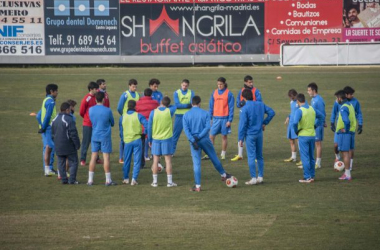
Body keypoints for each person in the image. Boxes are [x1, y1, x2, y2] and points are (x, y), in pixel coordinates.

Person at [183, 96, 232, 192]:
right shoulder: (205, 113)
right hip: (204, 139)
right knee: (213, 157)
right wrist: (200, 136)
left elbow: (186, 130)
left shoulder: (186, 115)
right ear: (199, 103)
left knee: (196, 163)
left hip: (194, 142)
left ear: (191, 103)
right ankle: (223, 175)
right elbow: (207, 127)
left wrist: (193, 140)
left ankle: (197, 186)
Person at [238, 89, 275, 185]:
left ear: (244, 97)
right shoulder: (260, 104)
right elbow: (272, 112)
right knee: (259, 156)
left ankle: (253, 178)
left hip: (250, 135)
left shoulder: (244, 108)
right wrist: (264, 123)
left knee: (251, 156)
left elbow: (242, 125)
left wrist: (240, 139)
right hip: (259, 134)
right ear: (252, 96)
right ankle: (260, 177)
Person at [293, 93, 325, 183]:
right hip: (312, 135)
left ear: (298, 101)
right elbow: (322, 116)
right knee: (311, 157)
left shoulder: (299, 111)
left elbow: (295, 123)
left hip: (303, 136)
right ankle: (312, 176)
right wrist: (315, 125)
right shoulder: (312, 108)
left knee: (305, 157)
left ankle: (307, 177)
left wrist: (296, 131)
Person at [232, 75, 263, 162]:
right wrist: (241, 103)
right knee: (241, 132)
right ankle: (240, 154)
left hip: (254, 116)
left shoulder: (256, 91)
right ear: (245, 82)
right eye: (249, 82)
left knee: (253, 135)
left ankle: (256, 156)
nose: (251, 84)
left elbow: (260, 102)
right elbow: (238, 104)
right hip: (244, 115)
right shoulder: (241, 91)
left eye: (252, 82)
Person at [148, 96, 177, 187]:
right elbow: (175, 106)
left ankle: (155, 182)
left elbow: (149, 127)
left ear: (160, 102)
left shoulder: (153, 112)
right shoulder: (169, 111)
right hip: (167, 138)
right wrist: (167, 105)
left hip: (156, 139)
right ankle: (169, 182)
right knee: (168, 161)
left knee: (155, 161)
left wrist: (149, 139)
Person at [87, 92, 116, 186]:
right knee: (106, 157)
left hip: (95, 135)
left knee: (93, 157)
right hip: (105, 136)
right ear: (103, 99)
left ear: (95, 99)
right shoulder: (108, 110)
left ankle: (90, 180)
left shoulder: (91, 110)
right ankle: (108, 180)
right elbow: (112, 122)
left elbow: (91, 121)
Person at [204, 77, 234, 160]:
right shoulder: (214, 93)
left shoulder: (229, 94)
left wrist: (229, 120)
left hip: (225, 119)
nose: (219, 86)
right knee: (211, 136)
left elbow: (231, 108)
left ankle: (223, 153)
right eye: (218, 84)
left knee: (224, 137)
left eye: (221, 84)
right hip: (215, 119)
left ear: (224, 84)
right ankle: (210, 153)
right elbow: (211, 106)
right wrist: (209, 118)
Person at [120, 100, 148, 185]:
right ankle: (134, 179)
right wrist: (144, 133)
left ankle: (126, 178)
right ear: (135, 107)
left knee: (127, 160)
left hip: (127, 141)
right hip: (137, 140)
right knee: (137, 161)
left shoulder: (123, 117)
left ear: (127, 106)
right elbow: (146, 124)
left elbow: (121, 130)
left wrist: (122, 138)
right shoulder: (138, 115)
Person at [51, 102, 81, 184]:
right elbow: (73, 134)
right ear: (67, 110)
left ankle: (64, 179)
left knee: (61, 162)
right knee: (74, 162)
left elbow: (52, 134)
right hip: (68, 145)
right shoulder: (69, 119)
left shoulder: (54, 119)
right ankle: (72, 180)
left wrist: (56, 143)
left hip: (58, 146)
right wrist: (77, 144)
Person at [334, 90, 356, 181]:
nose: (336, 100)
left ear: (340, 98)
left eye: (336, 98)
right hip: (351, 133)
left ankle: (347, 174)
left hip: (345, 134)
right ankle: (347, 173)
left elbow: (346, 121)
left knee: (345, 153)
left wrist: (345, 129)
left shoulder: (343, 108)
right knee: (348, 152)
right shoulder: (350, 105)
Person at [117, 79, 140, 164]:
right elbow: (119, 108)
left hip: (134, 120)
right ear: (129, 86)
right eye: (133, 86)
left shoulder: (138, 95)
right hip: (125, 119)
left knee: (134, 136)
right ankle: (121, 157)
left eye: (136, 86)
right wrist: (123, 115)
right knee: (123, 138)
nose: (135, 88)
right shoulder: (125, 95)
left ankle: (132, 156)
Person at [38, 83, 58, 177]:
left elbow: (39, 115)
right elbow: (48, 116)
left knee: (47, 148)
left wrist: (41, 126)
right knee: (50, 147)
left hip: (46, 127)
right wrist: (44, 127)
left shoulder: (45, 99)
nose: (57, 93)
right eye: (56, 91)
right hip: (49, 128)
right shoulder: (51, 102)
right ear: (51, 91)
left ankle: (48, 169)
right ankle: (48, 169)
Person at [136, 88, 160, 167]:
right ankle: (156, 162)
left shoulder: (138, 103)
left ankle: (141, 163)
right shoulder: (155, 103)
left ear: (143, 94)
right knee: (153, 145)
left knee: (141, 146)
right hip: (152, 127)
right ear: (151, 95)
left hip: (141, 127)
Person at [79, 81, 100, 166]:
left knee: (96, 141)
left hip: (96, 124)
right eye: (96, 89)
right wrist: (87, 118)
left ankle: (97, 158)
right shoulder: (86, 98)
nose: (97, 90)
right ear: (91, 89)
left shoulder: (96, 97)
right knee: (86, 142)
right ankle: (82, 159)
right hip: (88, 124)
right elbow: (81, 112)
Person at [172, 79, 195, 155]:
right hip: (179, 116)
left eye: (186, 85)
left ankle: (194, 150)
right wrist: (187, 105)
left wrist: (184, 105)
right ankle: (172, 151)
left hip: (189, 116)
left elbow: (192, 104)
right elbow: (177, 105)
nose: (184, 87)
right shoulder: (176, 93)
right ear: (181, 84)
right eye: (183, 85)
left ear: (188, 86)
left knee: (191, 134)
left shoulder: (191, 92)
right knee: (175, 135)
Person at [344, 86, 363, 170]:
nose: (352, 95)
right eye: (351, 94)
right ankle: (342, 161)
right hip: (342, 128)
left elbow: (359, 113)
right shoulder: (341, 101)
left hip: (351, 128)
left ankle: (350, 165)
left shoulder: (355, 102)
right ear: (346, 95)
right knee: (342, 147)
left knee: (351, 147)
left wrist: (360, 125)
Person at [307, 82, 326, 169]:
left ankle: (318, 163)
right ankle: (314, 162)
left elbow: (322, 113)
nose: (308, 92)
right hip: (314, 124)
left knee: (318, 143)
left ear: (314, 90)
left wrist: (322, 122)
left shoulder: (319, 100)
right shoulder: (313, 99)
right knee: (314, 143)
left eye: (309, 90)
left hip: (318, 125)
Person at [284, 89, 300, 163]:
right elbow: (292, 112)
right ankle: (293, 157)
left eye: (293, 97)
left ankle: (303, 158)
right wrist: (288, 117)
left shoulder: (299, 102)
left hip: (296, 124)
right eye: (290, 97)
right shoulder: (291, 102)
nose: (291, 99)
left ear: (296, 95)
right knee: (291, 140)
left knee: (298, 141)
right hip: (291, 123)